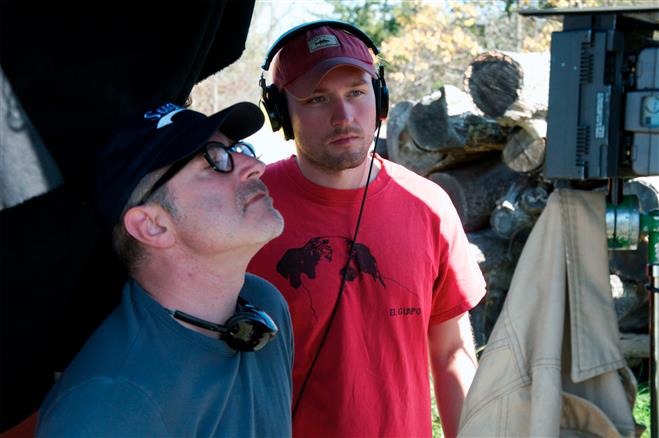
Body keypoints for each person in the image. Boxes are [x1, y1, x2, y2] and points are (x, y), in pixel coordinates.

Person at [248, 21, 487, 438]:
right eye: (317, 99)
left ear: (380, 97)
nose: (343, 116)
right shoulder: (245, 211)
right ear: (281, 112)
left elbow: (451, 354)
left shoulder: (429, 207)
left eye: (356, 93)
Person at [36, 101, 293, 437]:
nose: (256, 165)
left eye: (238, 149)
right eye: (214, 161)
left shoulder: (265, 305)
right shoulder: (104, 407)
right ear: (152, 226)